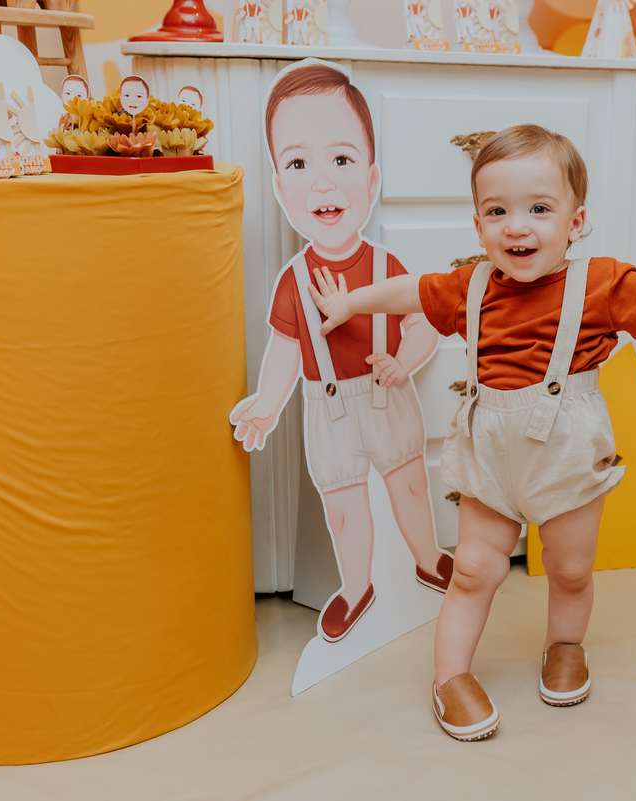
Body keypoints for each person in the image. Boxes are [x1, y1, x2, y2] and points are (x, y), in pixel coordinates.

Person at [308, 124, 636, 740]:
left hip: (565, 458)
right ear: (478, 225)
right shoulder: (468, 287)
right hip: (490, 460)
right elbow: (409, 292)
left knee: (570, 570)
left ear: (575, 222)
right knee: (472, 571)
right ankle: (449, 677)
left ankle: (565, 644)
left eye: (539, 209)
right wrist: (352, 305)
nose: (517, 227)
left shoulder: (600, 284)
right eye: (497, 211)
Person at [230, 63, 452, 646]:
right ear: (280, 186)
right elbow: (285, 349)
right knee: (345, 507)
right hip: (325, 406)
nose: (322, 184)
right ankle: (356, 589)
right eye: (299, 164)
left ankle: (429, 558)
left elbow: (425, 322)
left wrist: (405, 360)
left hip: (387, 394)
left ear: (372, 178)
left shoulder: (387, 267)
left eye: (342, 160)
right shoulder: (292, 281)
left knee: (408, 485)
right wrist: (265, 405)